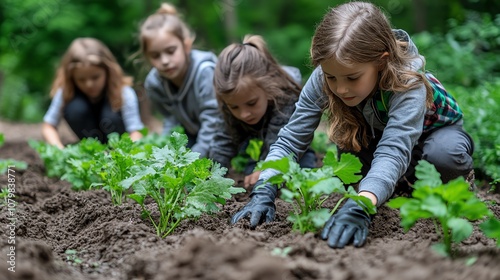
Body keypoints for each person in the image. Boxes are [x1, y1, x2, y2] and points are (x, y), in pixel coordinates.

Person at [231, 1, 474, 249]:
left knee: (445, 157)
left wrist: (362, 205)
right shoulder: (324, 76)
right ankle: (395, 182)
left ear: (381, 61)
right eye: (331, 77)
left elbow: (394, 150)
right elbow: (292, 138)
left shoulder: (408, 84)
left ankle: (434, 179)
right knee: (352, 175)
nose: (341, 88)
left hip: (433, 136)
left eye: (353, 77)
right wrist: (265, 187)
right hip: (377, 138)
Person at [210, 35, 317, 188]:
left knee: (303, 170)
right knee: (250, 172)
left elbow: (280, 142)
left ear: (269, 88)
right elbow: (222, 142)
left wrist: (265, 169)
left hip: (290, 146)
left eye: (251, 103)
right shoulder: (228, 102)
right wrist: (213, 174)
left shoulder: (285, 97)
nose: (244, 114)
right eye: (234, 107)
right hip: (261, 147)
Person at [138, 2, 220, 157]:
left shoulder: (205, 71)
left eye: (170, 51)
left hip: (222, 134)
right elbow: (171, 120)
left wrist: (195, 157)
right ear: (147, 57)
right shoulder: (154, 84)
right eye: (155, 56)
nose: (164, 61)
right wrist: (166, 154)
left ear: (186, 45)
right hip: (193, 136)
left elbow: (214, 121)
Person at [42, 38, 144, 149]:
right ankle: (94, 151)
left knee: (111, 115)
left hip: (119, 149)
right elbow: (48, 126)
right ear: (72, 77)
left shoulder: (124, 93)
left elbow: (136, 131)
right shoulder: (66, 92)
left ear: (108, 71)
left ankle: (113, 150)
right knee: (75, 108)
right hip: (90, 149)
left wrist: (129, 151)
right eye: (81, 79)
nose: (89, 84)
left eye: (95, 77)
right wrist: (59, 150)